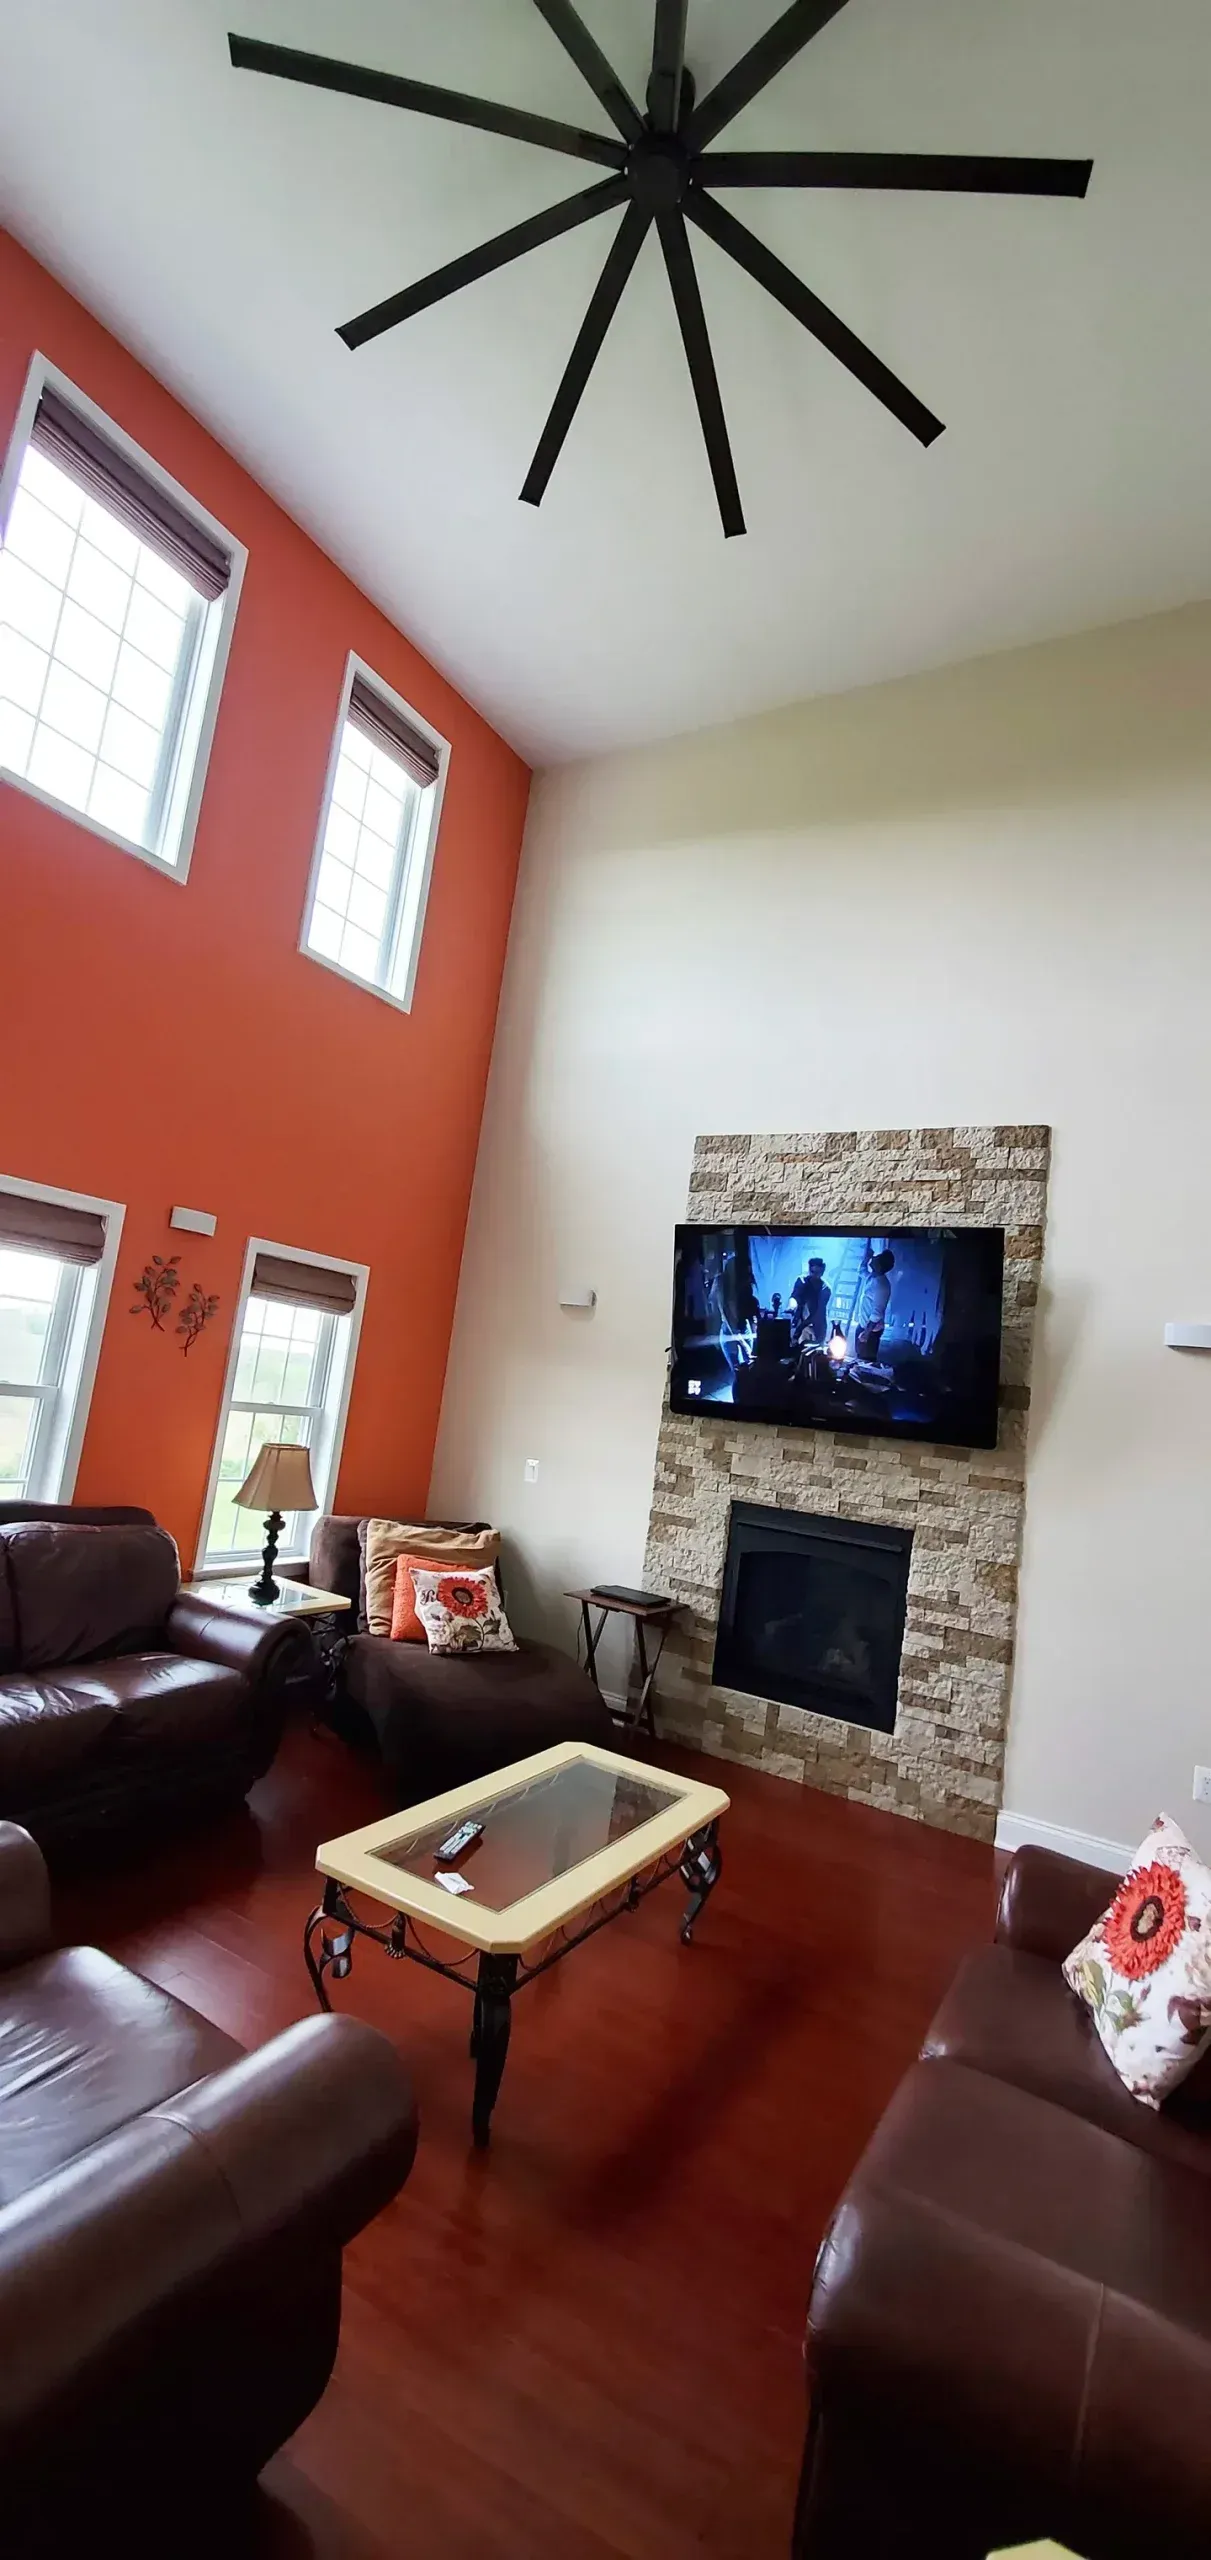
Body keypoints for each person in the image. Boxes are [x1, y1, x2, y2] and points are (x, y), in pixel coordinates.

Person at [854, 1244, 895, 1363]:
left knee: (866, 1361)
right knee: (859, 1356)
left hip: (871, 1330)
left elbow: (877, 1313)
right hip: (864, 1325)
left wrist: (866, 1333)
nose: (874, 1258)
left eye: (877, 1257)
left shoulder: (881, 1285)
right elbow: (861, 1271)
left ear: (879, 1265)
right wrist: (866, 1258)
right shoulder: (872, 1277)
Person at [791, 1257, 831, 1345]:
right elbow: (795, 1297)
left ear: (823, 1271)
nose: (815, 1276)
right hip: (801, 1325)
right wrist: (791, 1306)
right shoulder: (801, 1281)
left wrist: (799, 1330)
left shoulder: (825, 1289)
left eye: (818, 1273)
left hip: (817, 1328)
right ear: (809, 1270)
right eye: (813, 1272)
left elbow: (817, 1314)